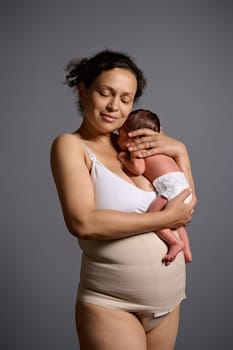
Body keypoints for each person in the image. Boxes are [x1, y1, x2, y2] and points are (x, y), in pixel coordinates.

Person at [50, 49, 196, 350]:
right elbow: (83, 222)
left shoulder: (138, 142)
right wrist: (164, 219)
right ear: (83, 91)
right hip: (111, 303)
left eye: (126, 99)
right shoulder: (71, 145)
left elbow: (186, 206)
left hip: (168, 301)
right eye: (105, 93)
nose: (114, 106)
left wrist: (181, 152)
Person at [117, 109, 193, 266]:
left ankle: (174, 243)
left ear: (134, 137)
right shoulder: (161, 147)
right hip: (184, 187)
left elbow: (138, 169)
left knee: (155, 215)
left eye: (121, 133)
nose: (118, 135)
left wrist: (124, 160)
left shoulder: (137, 148)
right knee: (178, 223)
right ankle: (187, 250)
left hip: (170, 190)